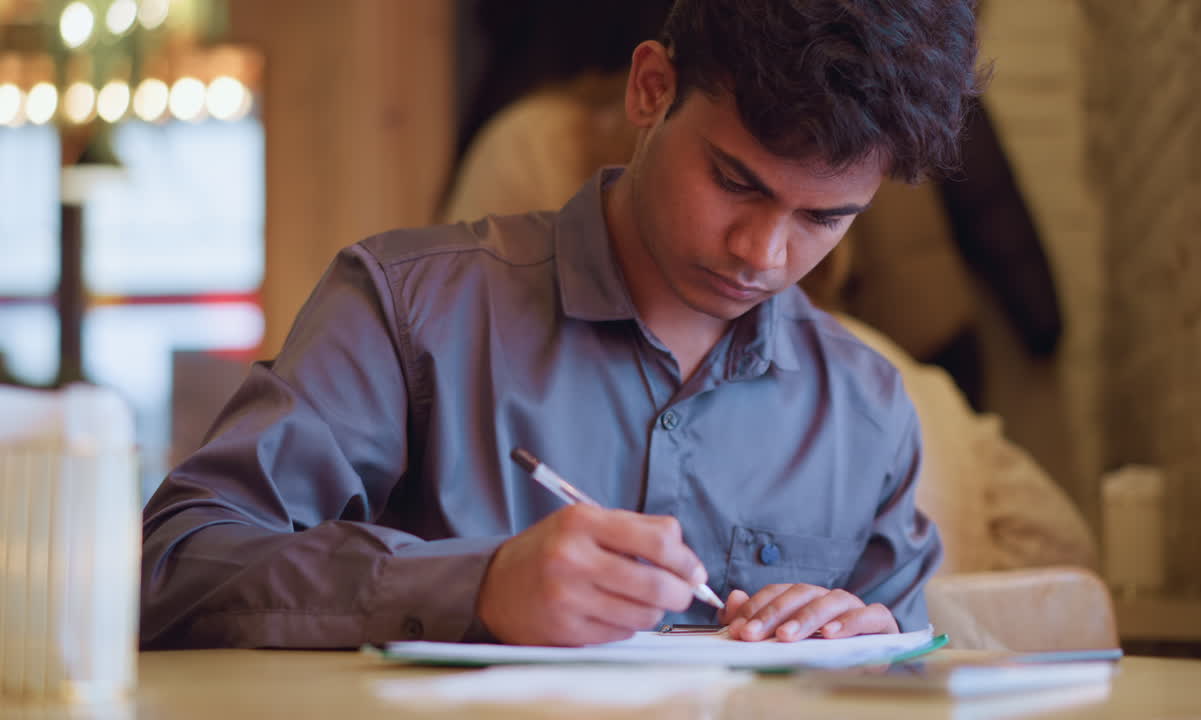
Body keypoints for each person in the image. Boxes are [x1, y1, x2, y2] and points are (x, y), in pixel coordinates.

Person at [141, 0, 984, 649]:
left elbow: (904, 652)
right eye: (735, 181)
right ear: (650, 89)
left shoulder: (867, 410)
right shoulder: (407, 310)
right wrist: (476, 588)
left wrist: (869, 649)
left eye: (825, 219)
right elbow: (175, 568)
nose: (761, 254)